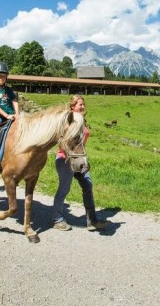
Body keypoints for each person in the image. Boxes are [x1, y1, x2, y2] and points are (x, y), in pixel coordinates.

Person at [52, 95, 111, 232]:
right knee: (64, 189)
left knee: (88, 185)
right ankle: (57, 219)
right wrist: (70, 154)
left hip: (80, 160)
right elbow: (61, 141)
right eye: (80, 104)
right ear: (72, 106)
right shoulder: (68, 120)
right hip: (65, 159)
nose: (83, 106)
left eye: (83, 104)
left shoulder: (82, 120)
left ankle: (92, 221)